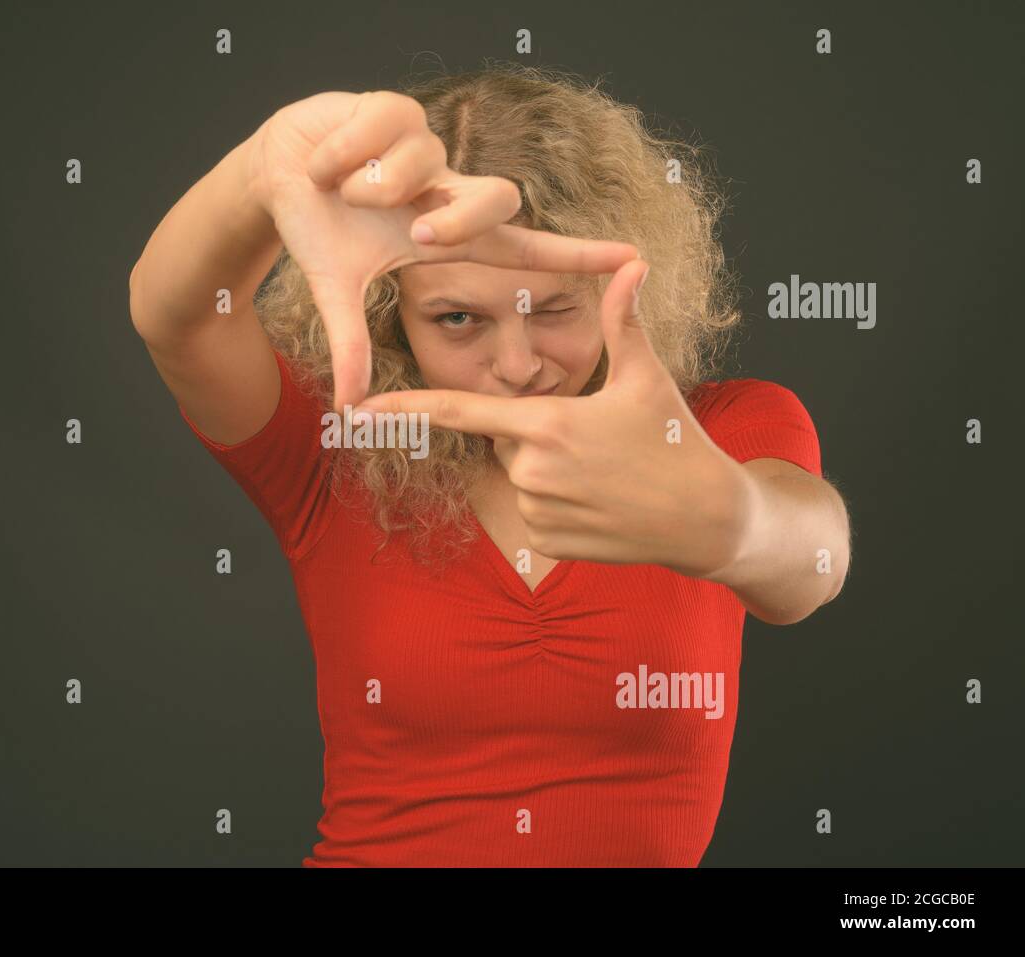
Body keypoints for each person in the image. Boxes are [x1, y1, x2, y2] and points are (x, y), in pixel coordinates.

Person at [129, 61, 852, 866]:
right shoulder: (342, 442)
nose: (516, 363)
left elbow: (811, 560)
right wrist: (262, 171)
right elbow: (177, 318)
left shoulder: (723, 427)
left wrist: (733, 521)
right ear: (390, 312)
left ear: (627, 283)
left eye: (554, 308)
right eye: (458, 317)